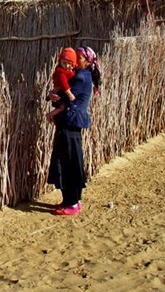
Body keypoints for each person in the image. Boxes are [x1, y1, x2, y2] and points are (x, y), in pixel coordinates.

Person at [47, 46, 101, 216]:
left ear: (87, 61)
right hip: (69, 123)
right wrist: (52, 96)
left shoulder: (81, 78)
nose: (75, 61)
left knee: (69, 162)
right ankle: (71, 200)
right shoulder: (80, 75)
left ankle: (71, 203)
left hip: (70, 123)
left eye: (79, 58)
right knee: (68, 160)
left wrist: (53, 101)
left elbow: (66, 99)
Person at [46, 48, 77, 123]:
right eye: (64, 63)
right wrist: (69, 94)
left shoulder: (67, 71)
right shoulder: (60, 72)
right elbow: (64, 84)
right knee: (62, 108)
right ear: (60, 62)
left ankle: (51, 116)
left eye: (69, 64)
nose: (66, 66)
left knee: (62, 108)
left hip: (59, 92)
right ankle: (50, 115)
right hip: (60, 93)